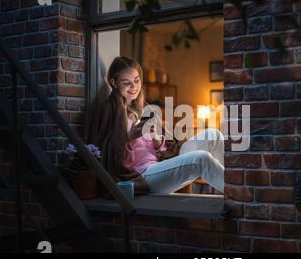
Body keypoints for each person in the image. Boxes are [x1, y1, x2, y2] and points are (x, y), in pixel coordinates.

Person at [90, 56, 224, 196]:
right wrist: (129, 137)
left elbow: (164, 152)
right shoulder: (110, 109)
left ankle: (234, 182)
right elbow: (109, 154)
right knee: (201, 158)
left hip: (161, 164)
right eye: (126, 82)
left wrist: (157, 140)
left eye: (136, 80)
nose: (134, 87)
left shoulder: (143, 108)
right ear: (114, 82)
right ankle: (238, 194)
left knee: (214, 134)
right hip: (143, 175)